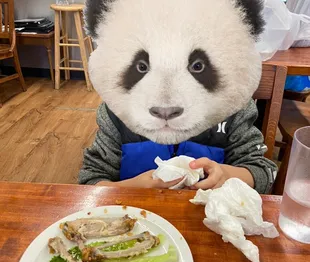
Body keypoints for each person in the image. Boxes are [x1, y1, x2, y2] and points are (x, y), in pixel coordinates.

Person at [79, 0, 278, 194]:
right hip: (132, 218)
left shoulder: (234, 112)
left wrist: (226, 174)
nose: (166, 102)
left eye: (197, 66)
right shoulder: (115, 116)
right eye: (142, 67)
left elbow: (263, 172)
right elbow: (90, 182)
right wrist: (134, 187)